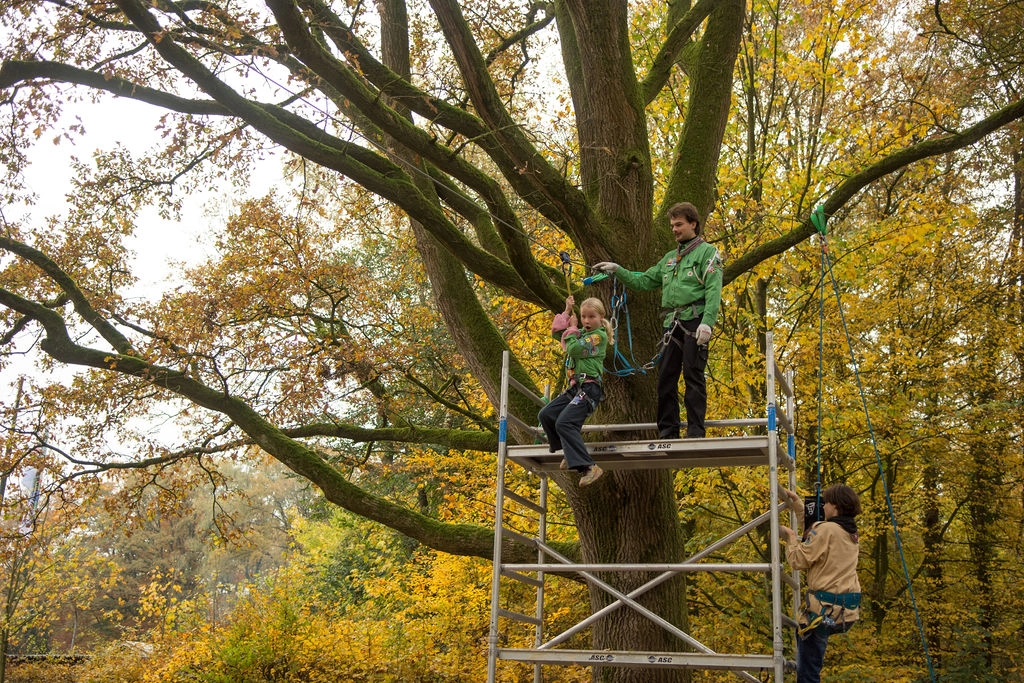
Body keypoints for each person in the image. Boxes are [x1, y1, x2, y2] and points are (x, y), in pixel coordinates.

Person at [593, 201, 723, 438]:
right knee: (665, 379)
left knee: (693, 375)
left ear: (693, 224)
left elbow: (714, 289)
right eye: (672, 225)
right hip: (671, 324)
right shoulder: (669, 259)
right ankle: (668, 430)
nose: (674, 229)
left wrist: (708, 322)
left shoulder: (708, 253)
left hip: (695, 322)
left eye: (679, 224)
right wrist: (618, 270)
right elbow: (643, 281)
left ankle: (695, 430)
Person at [780, 485, 863, 683]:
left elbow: (798, 560)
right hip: (846, 611)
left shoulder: (826, 529)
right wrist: (799, 506)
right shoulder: (850, 532)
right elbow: (815, 535)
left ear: (835, 506)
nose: (823, 507)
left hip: (823, 610)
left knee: (808, 674)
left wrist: (791, 538)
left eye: (825, 503)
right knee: (811, 658)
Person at [538, 295, 611, 486]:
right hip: (575, 387)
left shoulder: (598, 336)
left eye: (591, 317)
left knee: (564, 423)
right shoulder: (580, 334)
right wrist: (567, 311)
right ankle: (569, 451)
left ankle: (588, 467)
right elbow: (557, 334)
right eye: (583, 317)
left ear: (600, 316)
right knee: (546, 414)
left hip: (590, 387)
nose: (586, 321)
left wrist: (572, 328)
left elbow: (574, 350)